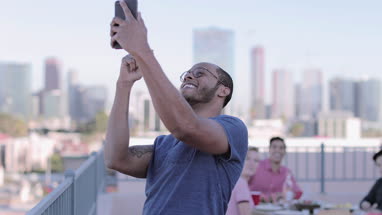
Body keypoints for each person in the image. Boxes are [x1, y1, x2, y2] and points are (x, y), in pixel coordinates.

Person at [104, 1, 248, 214]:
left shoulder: (233, 128)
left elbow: (187, 128)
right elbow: (116, 158)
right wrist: (123, 85)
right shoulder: (163, 144)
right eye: (187, 74)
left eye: (200, 73)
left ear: (223, 90)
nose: (189, 75)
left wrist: (142, 50)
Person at [249, 137, 302, 202]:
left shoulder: (286, 172)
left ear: (285, 151)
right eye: (274, 147)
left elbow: (298, 192)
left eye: (281, 148)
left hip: (277, 210)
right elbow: (243, 185)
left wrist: (286, 195)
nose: (278, 150)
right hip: (254, 209)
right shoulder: (257, 166)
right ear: (269, 149)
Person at [226, 147, 261, 215]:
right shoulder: (241, 183)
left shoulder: (235, 181)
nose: (252, 163)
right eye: (247, 159)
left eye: (256, 160)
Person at [360, 149, 382, 213]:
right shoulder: (379, 182)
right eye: (379, 165)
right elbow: (368, 199)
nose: (380, 169)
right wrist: (365, 204)